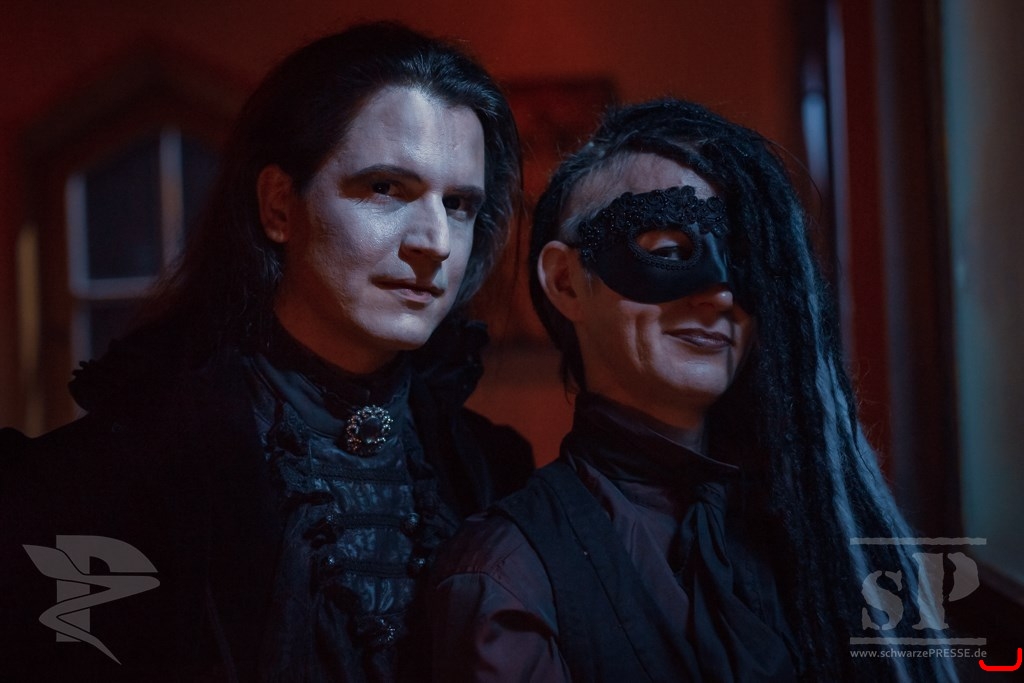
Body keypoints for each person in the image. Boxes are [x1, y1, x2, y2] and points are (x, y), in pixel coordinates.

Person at [0, 22, 531, 682]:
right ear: (280, 205)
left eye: (458, 204)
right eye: (385, 188)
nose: (435, 242)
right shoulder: (123, 468)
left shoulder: (492, 473)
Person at [430, 99, 957, 681]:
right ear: (566, 282)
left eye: (744, 261)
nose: (720, 295)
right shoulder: (508, 578)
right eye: (669, 253)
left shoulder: (820, 536)